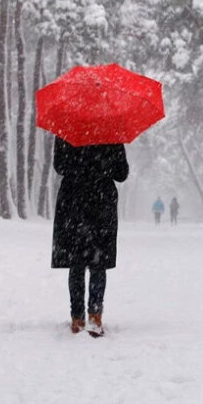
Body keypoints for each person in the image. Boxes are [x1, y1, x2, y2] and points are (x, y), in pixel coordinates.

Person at [52, 137, 129, 335]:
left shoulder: (67, 128)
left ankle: (77, 317)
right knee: (98, 261)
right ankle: (95, 317)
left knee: (76, 261)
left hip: (73, 200)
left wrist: (79, 166)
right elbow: (122, 173)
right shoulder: (111, 131)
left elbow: (59, 166)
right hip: (101, 201)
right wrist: (102, 167)